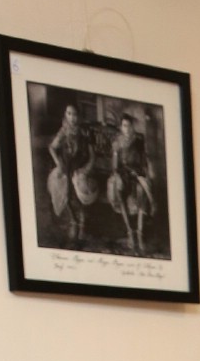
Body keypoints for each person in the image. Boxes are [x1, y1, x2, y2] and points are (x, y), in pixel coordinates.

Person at [46, 103, 97, 245]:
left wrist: (86, 169)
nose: (72, 117)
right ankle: (73, 221)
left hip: (80, 167)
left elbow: (92, 156)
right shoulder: (63, 132)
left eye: (74, 114)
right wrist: (58, 163)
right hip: (66, 167)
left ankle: (82, 224)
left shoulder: (85, 133)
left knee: (78, 192)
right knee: (63, 189)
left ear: (78, 116)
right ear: (65, 116)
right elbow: (51, 147)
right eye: (69, 114)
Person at [107, 111, 154, 254]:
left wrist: (147, 172)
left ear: (133, 127)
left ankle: (140, 233)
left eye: (129, 126)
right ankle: (130, 232)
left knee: (142, 191)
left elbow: (144, 160)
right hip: (124, 173)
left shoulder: (139, 140)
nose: (127, 128)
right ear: (121, 127)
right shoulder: (117, 143)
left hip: (137, 172)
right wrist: (118, 175)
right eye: (124, 126)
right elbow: (115, 166)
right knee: (119, 188)